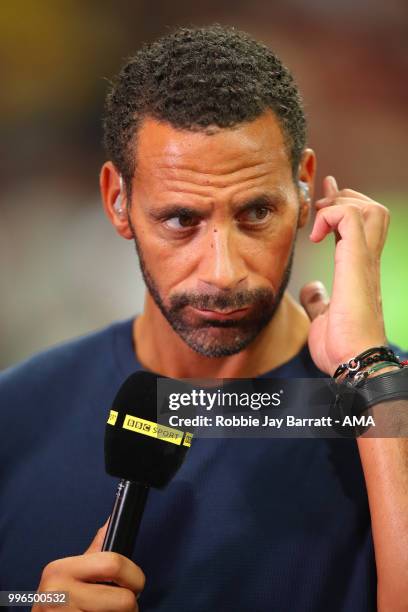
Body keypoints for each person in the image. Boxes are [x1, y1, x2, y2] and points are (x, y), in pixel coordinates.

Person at [1, 24, 407, 612]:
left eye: (256, 212)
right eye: (180, 220)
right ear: (118, 200)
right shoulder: (15, 414)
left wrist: (371, 368)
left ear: (305, 187)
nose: (223, 272)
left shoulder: (387, 418)